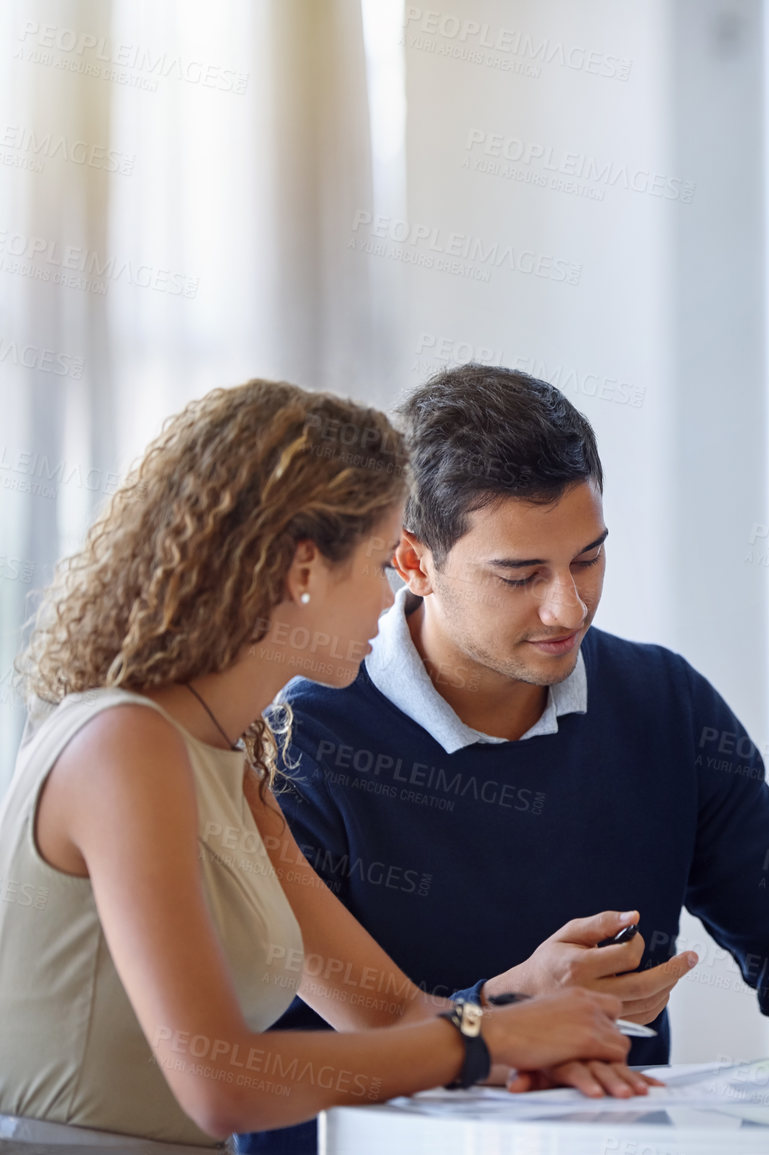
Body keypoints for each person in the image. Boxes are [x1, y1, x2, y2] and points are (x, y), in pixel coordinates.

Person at [242, 365, 769, 1153]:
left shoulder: (664, 703)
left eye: (587, 558)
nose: (568, 607)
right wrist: (503, 1007)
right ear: (414, 561)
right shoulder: (296, 744)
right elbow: (277, 1071)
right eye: (520, 575)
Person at [0, 381, 634, 1150]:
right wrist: (490, 1044)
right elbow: (221, 1081)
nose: (391, 594)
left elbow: (389, 1012)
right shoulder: (126, 748)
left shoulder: (230, 763)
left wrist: (525, 1032)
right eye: (375, 562)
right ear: (304, 567)